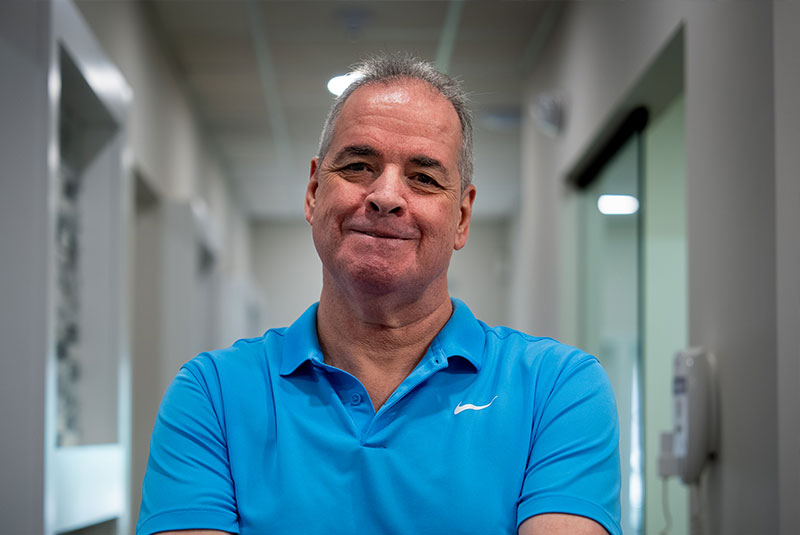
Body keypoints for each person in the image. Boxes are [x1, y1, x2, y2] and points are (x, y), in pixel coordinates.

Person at [137, 53, 621, 535]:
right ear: (313, 192)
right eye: (358, 166)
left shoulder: (557, 390)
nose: (386, 196)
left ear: (462, 218)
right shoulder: (212, 395)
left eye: (424, 178)